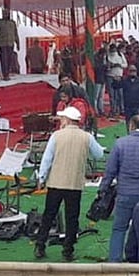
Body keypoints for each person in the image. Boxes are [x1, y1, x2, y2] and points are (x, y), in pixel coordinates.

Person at [35, 106, 104, 261]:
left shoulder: (56, 135)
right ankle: (68, 249)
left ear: (66, 120)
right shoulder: (86, 137)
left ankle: (40, 245)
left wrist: (41, 177)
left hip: (56, 182)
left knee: (48, 215)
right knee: (72, 217)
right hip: (74, 183)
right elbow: (99, 154)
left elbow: (47, 158)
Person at [100, 115, 139, 262]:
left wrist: (103, 188)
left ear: (131, 126)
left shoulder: (120, 144)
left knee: (119, 228)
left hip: (124, 193)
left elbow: (110, 170)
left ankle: (114, 261)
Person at [0, 11, 19, 81]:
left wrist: (18, 43)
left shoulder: (12, 23)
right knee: (4, 59)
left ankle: (8, 73)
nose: (6, 15)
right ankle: (5, 74)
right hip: (2, 44)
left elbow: (16, 33)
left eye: (7, 13)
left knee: (10, 59)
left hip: (11, 43)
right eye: (4, 13)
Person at [106, 44, 127, 118]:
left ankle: (121, 109)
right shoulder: (107, 56)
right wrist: (111, 66)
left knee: (120, 94)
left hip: (119, 76)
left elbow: (125, 65)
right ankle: (113, 110)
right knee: (112, 95)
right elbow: (106, 66)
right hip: (110, 76)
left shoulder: (120, 55)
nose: (113, 51)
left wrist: (119, 65)